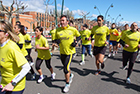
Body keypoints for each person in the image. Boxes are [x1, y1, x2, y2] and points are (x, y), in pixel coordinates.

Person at [0, 21, 30, 94]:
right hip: (4, 83)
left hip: (15, 87)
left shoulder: (11, 47)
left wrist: (12, 83)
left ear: (6, 34)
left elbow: (26, 67)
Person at [55, 15, 81, 93]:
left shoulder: (73, 29)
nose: (62, 22)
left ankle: (67, 84)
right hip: (62, 52)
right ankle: (70, 75)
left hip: (70, 52)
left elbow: (79, 36)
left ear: (67, 21)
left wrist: (75, 42)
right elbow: (56, 38)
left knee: (65, 68)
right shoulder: (58, 30)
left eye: (63, 20)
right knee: (65, 66)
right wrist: (57, 41)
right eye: (61, 20)